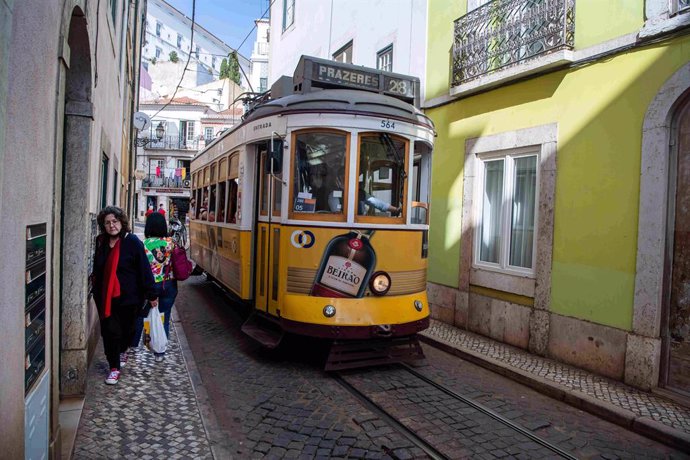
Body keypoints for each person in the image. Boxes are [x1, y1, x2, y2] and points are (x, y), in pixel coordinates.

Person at [92, 206, 157, 385]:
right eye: (107, 223)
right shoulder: (101, 242)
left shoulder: (132, 242)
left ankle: (123, 350)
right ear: (103, 225)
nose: (111, 225)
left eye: (115, 221)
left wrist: (152, 294)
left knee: (128, 331)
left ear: (122, 223)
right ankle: (114, 368)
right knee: (110, 332)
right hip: (106, 298)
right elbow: (97, 268)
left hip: (130, 298)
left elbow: (144, 269)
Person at [131, 212, 178, 362]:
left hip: (148, 286)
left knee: (140, 315)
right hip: (168, 285)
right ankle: (159, 352)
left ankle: (134, 345)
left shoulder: (143, 245)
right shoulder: (171, 243)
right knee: (163, 317)